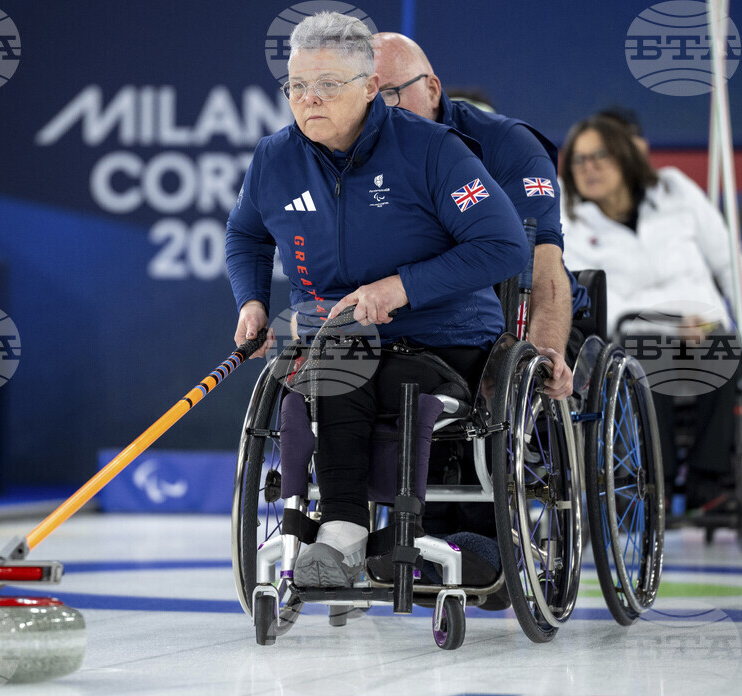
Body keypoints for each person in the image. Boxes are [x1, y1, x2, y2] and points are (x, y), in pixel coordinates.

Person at [226, 12, 528, 587]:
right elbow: (245, 234)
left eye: (328, 85)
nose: (309, 99)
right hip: (340, 338)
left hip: (444, 340)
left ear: (370, 87)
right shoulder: (275, 158)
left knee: (347, 361)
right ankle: (344, 534)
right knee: (340, 354)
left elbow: (505, 245)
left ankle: (342, 533)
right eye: (297, 86)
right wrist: (253, 301)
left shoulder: (434, 150)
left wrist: (402, 287)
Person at [559, 113, 742, 508]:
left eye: (599, 156)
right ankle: (653, 478)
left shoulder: (676, 190)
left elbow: (729, 261)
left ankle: (708, 482)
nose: (588, 168)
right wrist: (669, 322)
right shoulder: (569, 218)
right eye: (578, 159)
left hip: (702, 329)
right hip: (631, 337)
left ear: (624, 156)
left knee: (725, 348)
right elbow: (587, 291)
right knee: (643, 357)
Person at [372, 31, 591, 400]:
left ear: (432, 89)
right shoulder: (356, 149)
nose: (379, 112)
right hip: (425, 320)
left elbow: (542, 269)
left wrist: (536, 359)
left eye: (390, 94)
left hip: (517, 315)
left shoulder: (511, 147)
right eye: (366, 97)